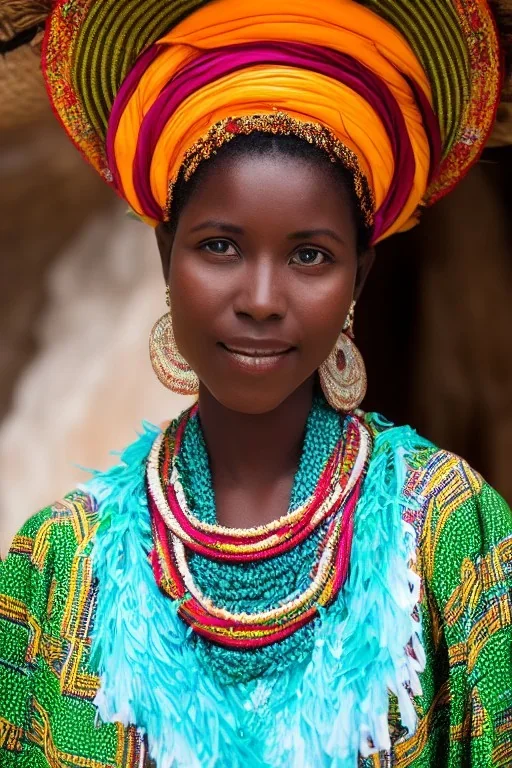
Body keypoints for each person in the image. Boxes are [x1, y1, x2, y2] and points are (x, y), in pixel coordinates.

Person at [1, 0, 511, 766]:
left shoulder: (450, 534)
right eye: (219, 246)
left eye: (310, 255)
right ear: (164, 256)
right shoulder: (56, 565)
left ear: (359, 278)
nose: (263, 298)